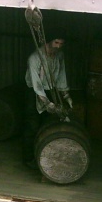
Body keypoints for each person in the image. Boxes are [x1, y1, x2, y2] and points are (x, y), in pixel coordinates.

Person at [22, 27, 73, 169]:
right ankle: (29, 159)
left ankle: (44, 157)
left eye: (61, 44)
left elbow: (61, 75)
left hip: (50, 90)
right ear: (47, 41)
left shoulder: (59, 55)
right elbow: (36, 84)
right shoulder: (34, 58)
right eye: (56, 42)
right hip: (34, 92)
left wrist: (66, 94)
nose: (58, 46)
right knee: (32, 125)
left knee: (47, 125)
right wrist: (47, 103)